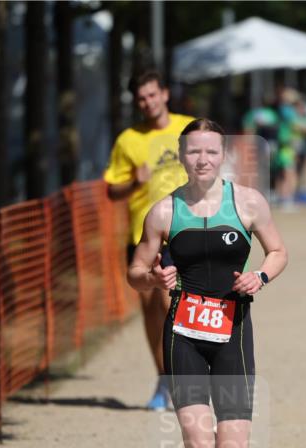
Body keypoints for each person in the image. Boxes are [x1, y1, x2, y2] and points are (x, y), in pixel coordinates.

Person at [127, 119, 288, 448]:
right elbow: (135, 274)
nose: (203, 160)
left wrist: (260, 275)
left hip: (232, 334)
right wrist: (153, 278)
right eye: (194, 152)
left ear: (224, 156)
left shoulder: (248, 203)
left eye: (211, 152)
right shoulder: (163, 212)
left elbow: (278, 251)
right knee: (197, 443)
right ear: (182, 157)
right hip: (182, 335)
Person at [104, 71, 195, 410]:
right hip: (144, 235)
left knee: (172, 302)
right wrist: (134, 182)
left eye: (152, 95)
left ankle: (186, 376)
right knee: (152, 311)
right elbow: (112, 190)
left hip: (187, 229)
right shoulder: (128, 139)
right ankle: (164, 379)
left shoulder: (190, 128)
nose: (148, 102)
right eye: (142, 98)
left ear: (165, 94)